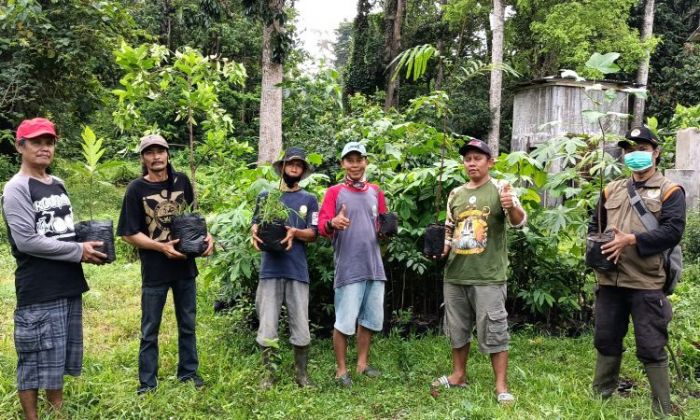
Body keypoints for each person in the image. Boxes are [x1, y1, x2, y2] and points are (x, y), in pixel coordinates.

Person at [2, 118, 106, 420]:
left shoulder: (57, 183)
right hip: (39, 287)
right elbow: (27, 242)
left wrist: (89, 243)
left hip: (68, 283)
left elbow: (60, 229)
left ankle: (56, 413)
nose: (44, 147)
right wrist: (78, 251)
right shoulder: (16, 188)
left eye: (49, 141)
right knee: (34, 358)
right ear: (20, 146)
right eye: (36, 141)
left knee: (57, 357)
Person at [589, 126, 685, 417]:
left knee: (651, 344)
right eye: (630, 149)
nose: (635, 155)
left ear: (655, 153)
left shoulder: (670, 191)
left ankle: (663, 407)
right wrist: (596, 247)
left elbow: (673, 232)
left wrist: (631, 240)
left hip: (646, 281)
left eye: (642, 149)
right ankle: (600, 398)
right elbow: (595, 226)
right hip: (610, 280)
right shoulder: (611, 189)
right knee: (605, 337)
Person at [116, 134, 214, 395]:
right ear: (143, 158)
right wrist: (161, 247)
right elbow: (128, 233)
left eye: (160, 151)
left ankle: (189, 373)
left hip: (185, 268)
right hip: (155, 270)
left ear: (168, 154)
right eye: (149, 152)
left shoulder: (182, 180)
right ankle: (147, 383)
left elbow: (195, 219)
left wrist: (208, 237)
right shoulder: (136, 189)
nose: (156, 156)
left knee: (188, 324)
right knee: (150, 329)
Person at [431, 138, 526, 404]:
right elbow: (450, 229)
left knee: (494, 329)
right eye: (467, 159)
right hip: (456, 274)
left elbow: (519, 222)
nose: (472, 163)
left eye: (478, 158)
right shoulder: (456, 194)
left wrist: (511, 205)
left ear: (490, 162)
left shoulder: (501, 188)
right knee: (457, 328)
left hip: (488, 276)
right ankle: (458, 375)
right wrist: (441, 250)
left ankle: (501, 386)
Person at [318, 141, 388, 388]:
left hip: (374, 266)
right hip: (348, 265)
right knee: (344, 321)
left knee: (369, 319)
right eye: (350, 160)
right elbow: (321, 227)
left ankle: (362, 364)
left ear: (366, 161)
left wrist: (388, 229)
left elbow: (381, 226)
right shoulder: (334, 192)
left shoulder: (376, 192)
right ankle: (340, 370)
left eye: (359, 160)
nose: (355, 165)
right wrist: (332, 223)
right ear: (343, 164)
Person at [250, 147, 319, 388]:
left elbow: (314, 234)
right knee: (267, 325)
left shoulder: (309, 200)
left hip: (297, 270)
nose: (294, 168)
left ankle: (301, 374)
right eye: (291, 164)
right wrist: (254, 235)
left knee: (300, 325)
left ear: (302, 171)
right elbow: (256, 226)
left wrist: (294, 232)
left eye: (299, 166)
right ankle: (267, 375)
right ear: (282, 167)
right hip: (270, 270)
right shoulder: (266, 198)